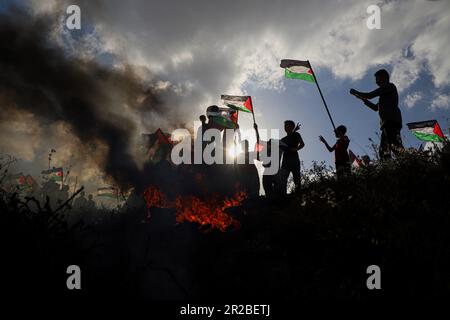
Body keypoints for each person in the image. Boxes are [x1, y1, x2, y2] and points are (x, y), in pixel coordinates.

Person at [350, 69, 403, 160]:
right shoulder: (385, 94)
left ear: (384, 78)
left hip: (391, 121)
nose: (376, 82)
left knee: (394, 145)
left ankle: (407, 163)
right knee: (383, 151)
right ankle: (389, 169)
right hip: (387, 123)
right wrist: (361, 98)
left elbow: (370, 95)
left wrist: (357, 92)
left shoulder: (389, 86)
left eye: (377, 79)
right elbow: (375, 108)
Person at [280, 120, 305, 194]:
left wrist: (296, 149)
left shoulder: (296, 134)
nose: (285, 127)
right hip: (285, 161)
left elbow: (302, 144)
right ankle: (282, 197)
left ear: (291, 127)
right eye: (285, 126)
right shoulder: (283, 139)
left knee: (297, 179)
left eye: (287, 125)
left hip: (294, 160)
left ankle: (298, 197)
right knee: (283, 180)